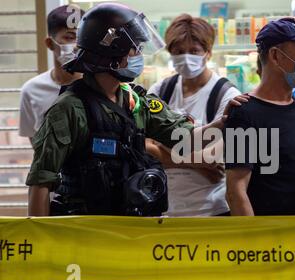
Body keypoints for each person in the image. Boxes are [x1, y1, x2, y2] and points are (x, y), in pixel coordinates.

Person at [26, 3, 232, 217]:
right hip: (86, 231)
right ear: (112, 52)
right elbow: (40, 182)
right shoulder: (69, 109)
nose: (139, 56)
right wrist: (39, 241)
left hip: (132, 230)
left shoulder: (137, 102)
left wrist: (222, 123)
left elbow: (186, 139)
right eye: (136, 49)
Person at [225, 17, 295, 216]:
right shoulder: (245, 113)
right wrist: (255, 243)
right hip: (273, 241)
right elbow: (236, 190)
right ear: (275, 56)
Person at [147, 14, 241, 217]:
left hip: (211, 210)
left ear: (208, 53)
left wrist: (163, 146)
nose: (186, 57)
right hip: (165, 210)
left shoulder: (227, 95)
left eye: (194, 51)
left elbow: (215, 156)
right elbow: (145, 146)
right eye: (179, 51)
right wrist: (197, 162)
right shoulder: (160, 90)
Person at [19, 5, 85, 140]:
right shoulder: (32, 90)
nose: (77, 45)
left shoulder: (100, 86)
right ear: (50, 43)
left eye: (81, 38)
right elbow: (35, 143)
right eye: (69, 37)